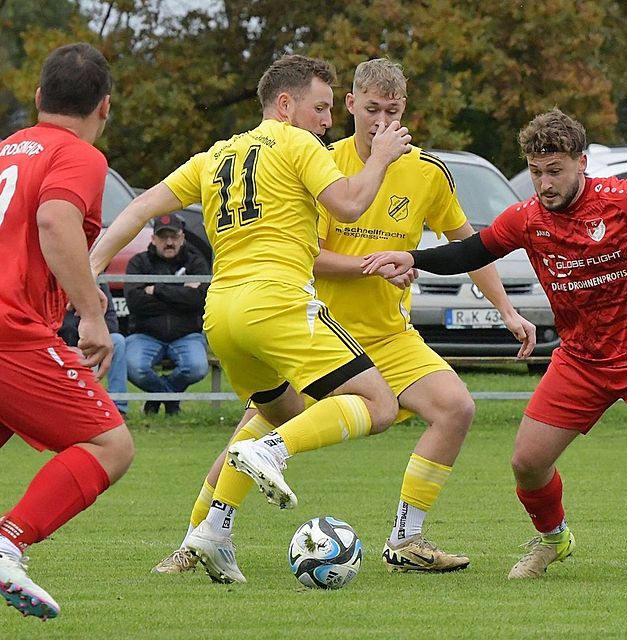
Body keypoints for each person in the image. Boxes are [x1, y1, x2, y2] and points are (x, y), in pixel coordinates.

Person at [362, 108, 627, 583]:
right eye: (536, 172)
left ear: (581, 163)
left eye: (555, 170)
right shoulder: (527, 218)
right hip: (581, 359)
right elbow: (472, 250)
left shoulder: (625, 199)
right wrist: (412, 257)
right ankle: (553, 539)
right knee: (527, 463)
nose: (545, 184)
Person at [151, 58, 536, 577]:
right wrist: (373, 265)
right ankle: (193, 543)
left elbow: (468, 244)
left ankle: (406, 539)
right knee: (252, 433)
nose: (381, 122)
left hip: (391, 337)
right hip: (320, 328)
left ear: (405, 109)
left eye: (392, 111)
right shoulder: (316, 158)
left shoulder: (426, 172)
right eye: (371, 109)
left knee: (455, 408)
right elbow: (307, 255)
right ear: (350, 104)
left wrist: (507, 309)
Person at [89, 54, 411, 584]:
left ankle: (210, 533)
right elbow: (351, 204)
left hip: (222, 315)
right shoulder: (298, 143)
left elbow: (141, 208)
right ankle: (271, 453)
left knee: (280, 410)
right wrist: (379, 156)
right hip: (277, 303)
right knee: (379, 404)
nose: (327, 120)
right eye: (320, 107)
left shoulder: (215, 155)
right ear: (285, 105)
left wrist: (91, 270)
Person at [0, 42, 133, 620]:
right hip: (12, 331)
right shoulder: (78, 154)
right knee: (110, 444)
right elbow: (55, 221)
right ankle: (7, 544)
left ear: (38, 97)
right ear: (104, 107)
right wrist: (93, 315)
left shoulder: (6, 150)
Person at [124, 212, 210, 416]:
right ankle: (170, 400)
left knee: (197, 368)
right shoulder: (138, 263)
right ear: (153, 239)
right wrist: (181, 294)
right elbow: (135, 303)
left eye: (174, 236)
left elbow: (200, 300)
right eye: (163, 237)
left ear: (182, 237)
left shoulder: (196, 262)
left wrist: (157, 289)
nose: (169, 242)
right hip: (144, 334)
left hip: (187, 335)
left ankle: (157, 399)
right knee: (133, 367)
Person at [59, 283, 129, 415]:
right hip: (58, 343)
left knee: (117, 341)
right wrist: (67, 347)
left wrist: (87, 339)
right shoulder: (52, 284)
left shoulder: (99, 283)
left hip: (88, 342)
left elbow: (112, 322)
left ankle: (119, 407)